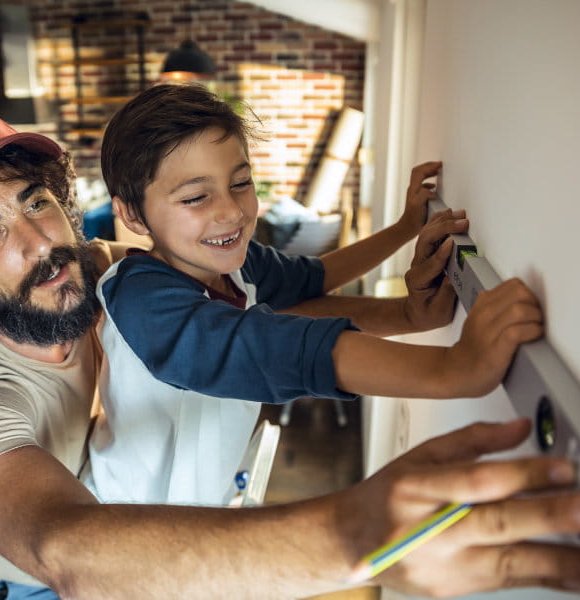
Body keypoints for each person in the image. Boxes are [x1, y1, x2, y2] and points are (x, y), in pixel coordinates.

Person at [0, 104, 580, 599]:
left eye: (37, 203)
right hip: (12, 574)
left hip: (123, 525)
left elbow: (269, 304)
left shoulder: (97, 269)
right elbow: (61, 545)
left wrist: (411, 312)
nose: (41, 243)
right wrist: (348, 534)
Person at [88, 83, 543, 508]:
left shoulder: (236, 264)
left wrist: (408, 285)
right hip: (119, 525)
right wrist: (452, 369)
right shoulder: (138, 296)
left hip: (198, 509)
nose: (231, 211)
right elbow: (266, 345)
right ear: (132, 215)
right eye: (194, 198)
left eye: (240, 183)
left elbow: (314, 281)